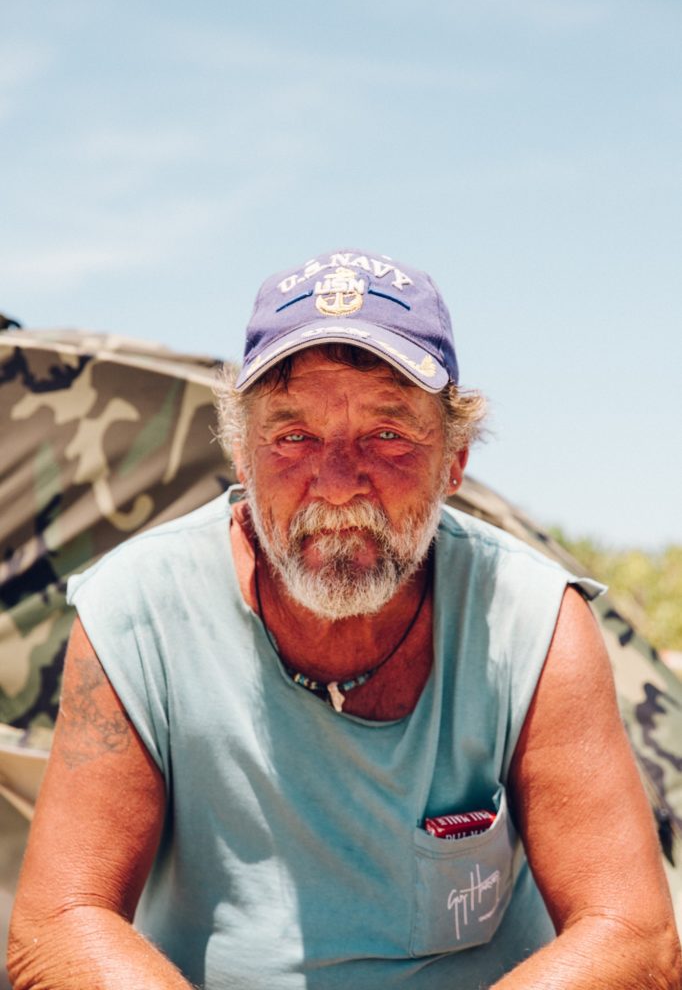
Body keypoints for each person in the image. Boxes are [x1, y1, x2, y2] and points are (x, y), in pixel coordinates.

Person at [8, 249, 681, 989]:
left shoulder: (532, 621)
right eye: (293, 437)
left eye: (387, 435)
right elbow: (60, 923)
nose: (336, 484)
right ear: (241, 453)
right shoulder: (137, 612)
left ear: (455, 459)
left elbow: (632, 936)